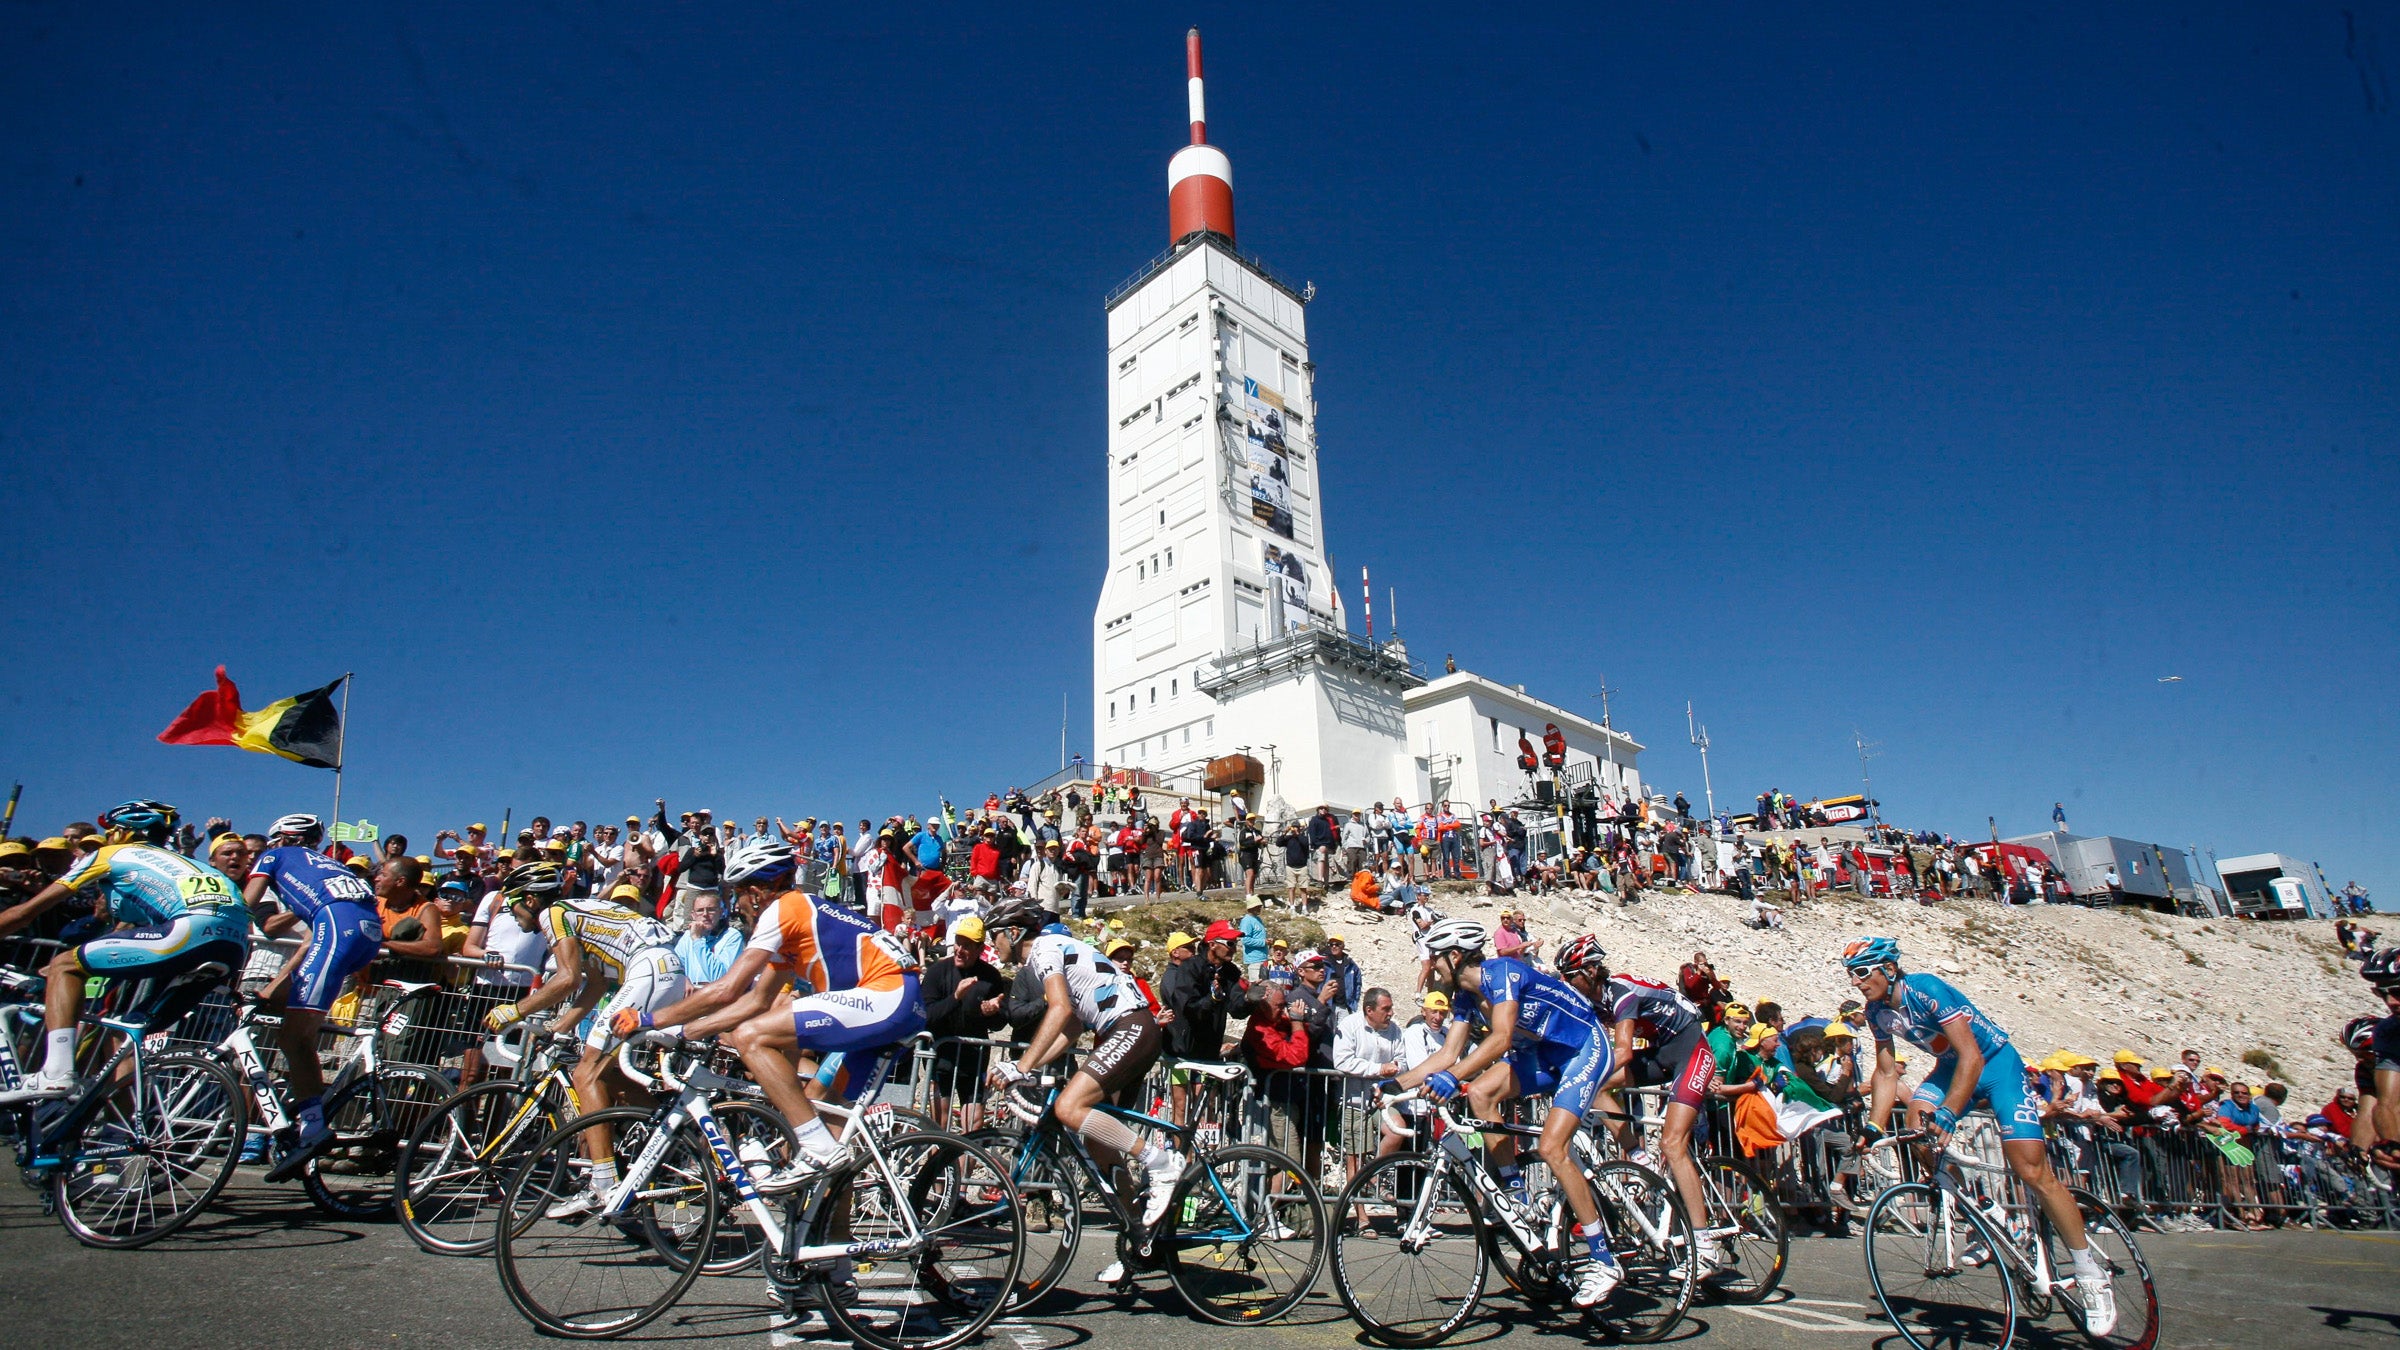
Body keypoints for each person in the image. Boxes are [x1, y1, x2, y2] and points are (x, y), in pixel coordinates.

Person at [1841, 935, 2117, 1336]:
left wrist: (1951, 1112)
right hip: (1953, 1069)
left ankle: (2090, 1274)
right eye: (1851, 974)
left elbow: (1971, 1054)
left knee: (2030, 1170)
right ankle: (1987, 1209)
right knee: (1917, 1123)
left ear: (1888, 968)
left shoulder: (1926, 988)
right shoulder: (1876, 1012)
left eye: (1862, 972)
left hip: (1996, 1066)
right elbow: (1885, 1073)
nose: (1856, 982)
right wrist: (1873, 1126)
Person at [635, 839, 924, 1201]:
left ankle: (816, 1148)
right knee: (831, 1124)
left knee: (751, 1038)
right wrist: (686, 1030)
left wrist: (649, 1020)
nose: (735, 907)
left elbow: (728, 989)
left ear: (755, 893)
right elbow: (757, 999)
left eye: (736, 896)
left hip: (885, 996)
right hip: (897, 1004)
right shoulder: (799, 918)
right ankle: (834, 1253)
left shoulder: (783, 909)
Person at [1383, 919, 1622, 1308]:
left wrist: (1450, 1077)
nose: (1430, 967)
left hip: (1583, 1048)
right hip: (1544, 1054)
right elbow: (1445, 1054)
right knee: (1479, 1092)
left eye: (1435, 959)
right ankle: (1514, 1189)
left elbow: (1501, 1038)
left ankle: (1603, 1259)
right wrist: (1398, 1085)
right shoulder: (1462, 996)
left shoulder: (1504, 973)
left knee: (1551, 1148)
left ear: (1456, 956)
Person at [983, 898, 1181, 1289]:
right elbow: (1071, 1027)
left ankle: (1161, 1162)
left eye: (995, 937)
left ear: (1012, 932)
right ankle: (1136, 1239)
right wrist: (1032, 1066)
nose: (994, 946)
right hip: (1126, 1029)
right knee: (1096, 1142)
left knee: (1069, 1107)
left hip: (1132, 1027)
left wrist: (1020, 1066)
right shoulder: (1052, 953)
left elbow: (1056, 1010)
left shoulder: (1042, 951)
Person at [0, 801, 250, 1106]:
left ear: (125, 832)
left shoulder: (109, 854)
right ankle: (103, 1132)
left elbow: (26, 912)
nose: (109, 837)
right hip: (233, 945)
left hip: (188, 932)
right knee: (129, 1035)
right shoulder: (195, 865)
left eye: (112, 831)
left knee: (65, 965)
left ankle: (56, 1072)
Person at [482, 861, 688, 1219]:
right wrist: (560, 1025)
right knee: (607, 1075)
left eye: (511, 903)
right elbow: (593, 984)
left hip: (649, 970)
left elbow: (565, 979)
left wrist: (513, 1011)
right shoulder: (579, 912)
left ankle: (602, 1183)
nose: (509, 913)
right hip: (659, 970)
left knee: (585, 1074)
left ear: (530, 899)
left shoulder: (554, 913)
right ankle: (677, 1138)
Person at [1566, 936, 1735, 1276]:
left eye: (1571, 975)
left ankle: (1705, 1248)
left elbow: (1624, 1051)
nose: (1567, 983)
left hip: (1691, 1048)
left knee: (1673, 1144)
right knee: (1597, 1087)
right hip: (1662, 1052)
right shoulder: (1592, 1001)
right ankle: (1640, 1158)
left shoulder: (1621, 992)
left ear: (1591, 970)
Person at [240, 813, 387, 1177]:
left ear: (282, 838)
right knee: (288, 1017)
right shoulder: (333, 866)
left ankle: (313, 1125)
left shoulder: (274, 856)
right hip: (363, 935)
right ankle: (302, 1113)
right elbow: (312, 942)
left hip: (337, 932)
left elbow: (243, 905)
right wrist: (272, 990)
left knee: (294, 1039)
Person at [922, 915, 1007, 1130]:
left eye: (967, 946)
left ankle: (967, 1162)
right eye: (958, 943)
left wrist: (992, 1013)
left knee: (973, 1124)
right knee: (939, 1123)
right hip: (942, 1055)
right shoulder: (937, 972)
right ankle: (938, 1163)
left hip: (973, 1057)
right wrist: (955, 998)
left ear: (980, 949)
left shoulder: (990, 976)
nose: (960, 950)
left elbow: (999, 1024)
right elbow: (927, 1016)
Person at [674, 890, 746, 984]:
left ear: (721, 912)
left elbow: (718, 977)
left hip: (716, 994)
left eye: (711, 910)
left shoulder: (732, 936)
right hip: (691, 994)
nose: (705, 914)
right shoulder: (688, 936)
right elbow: (675, 969)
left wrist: (697, 940)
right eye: (700, 910)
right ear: (693, 915)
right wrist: (685, 980)